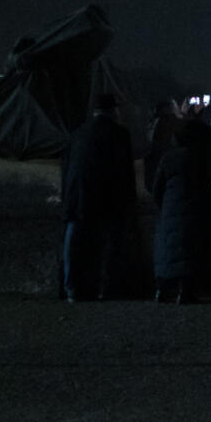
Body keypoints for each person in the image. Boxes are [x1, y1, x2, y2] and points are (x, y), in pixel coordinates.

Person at [61, 92, 137, 302]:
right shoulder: (120, 134)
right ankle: (106, 287)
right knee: (110, 243)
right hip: (107, 196)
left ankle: (72, 287)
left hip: (78, 195)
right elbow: (125, 171)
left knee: (74, 241)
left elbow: (66, 167)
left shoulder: (77, 133)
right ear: (113, 110)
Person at [150, 113, 211, 303]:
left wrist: (163, 205)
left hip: (170, 207)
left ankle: (162, 289)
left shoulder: (169, 157)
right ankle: (185, 290)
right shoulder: (201, 157)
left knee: (168, 249)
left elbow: (157, 187)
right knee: (190, 249)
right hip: (195, 207)